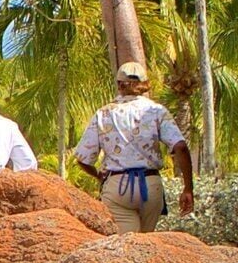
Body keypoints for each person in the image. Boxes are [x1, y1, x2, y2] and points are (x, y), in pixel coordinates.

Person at [71, 60, 190, 234]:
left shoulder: (104, 113)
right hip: (150, 185)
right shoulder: (156, 111)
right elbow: (180, 147)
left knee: (125, 247)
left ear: (119, 84)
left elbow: (82, 158)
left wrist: (99, 176)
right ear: (145, 84)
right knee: (145, 243)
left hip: (117, 185)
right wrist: (188, 188)